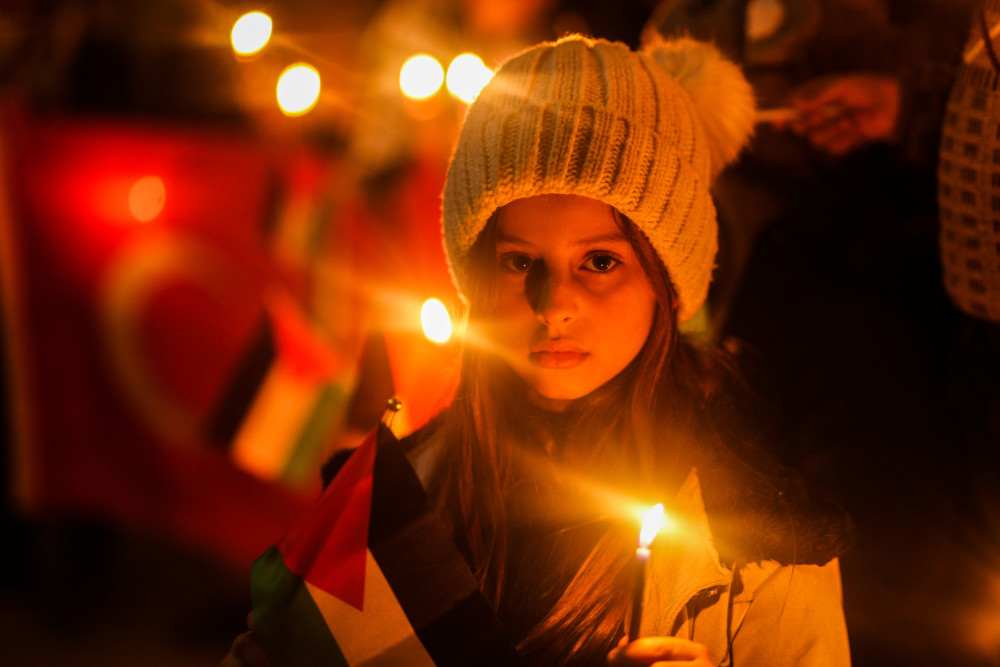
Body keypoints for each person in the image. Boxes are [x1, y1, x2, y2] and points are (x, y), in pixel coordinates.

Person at [224, 34, 852, 666]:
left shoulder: (764, 561)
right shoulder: (391, 502)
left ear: (668, 283)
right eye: (519, 261)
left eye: (600, 261)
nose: (554, 304)